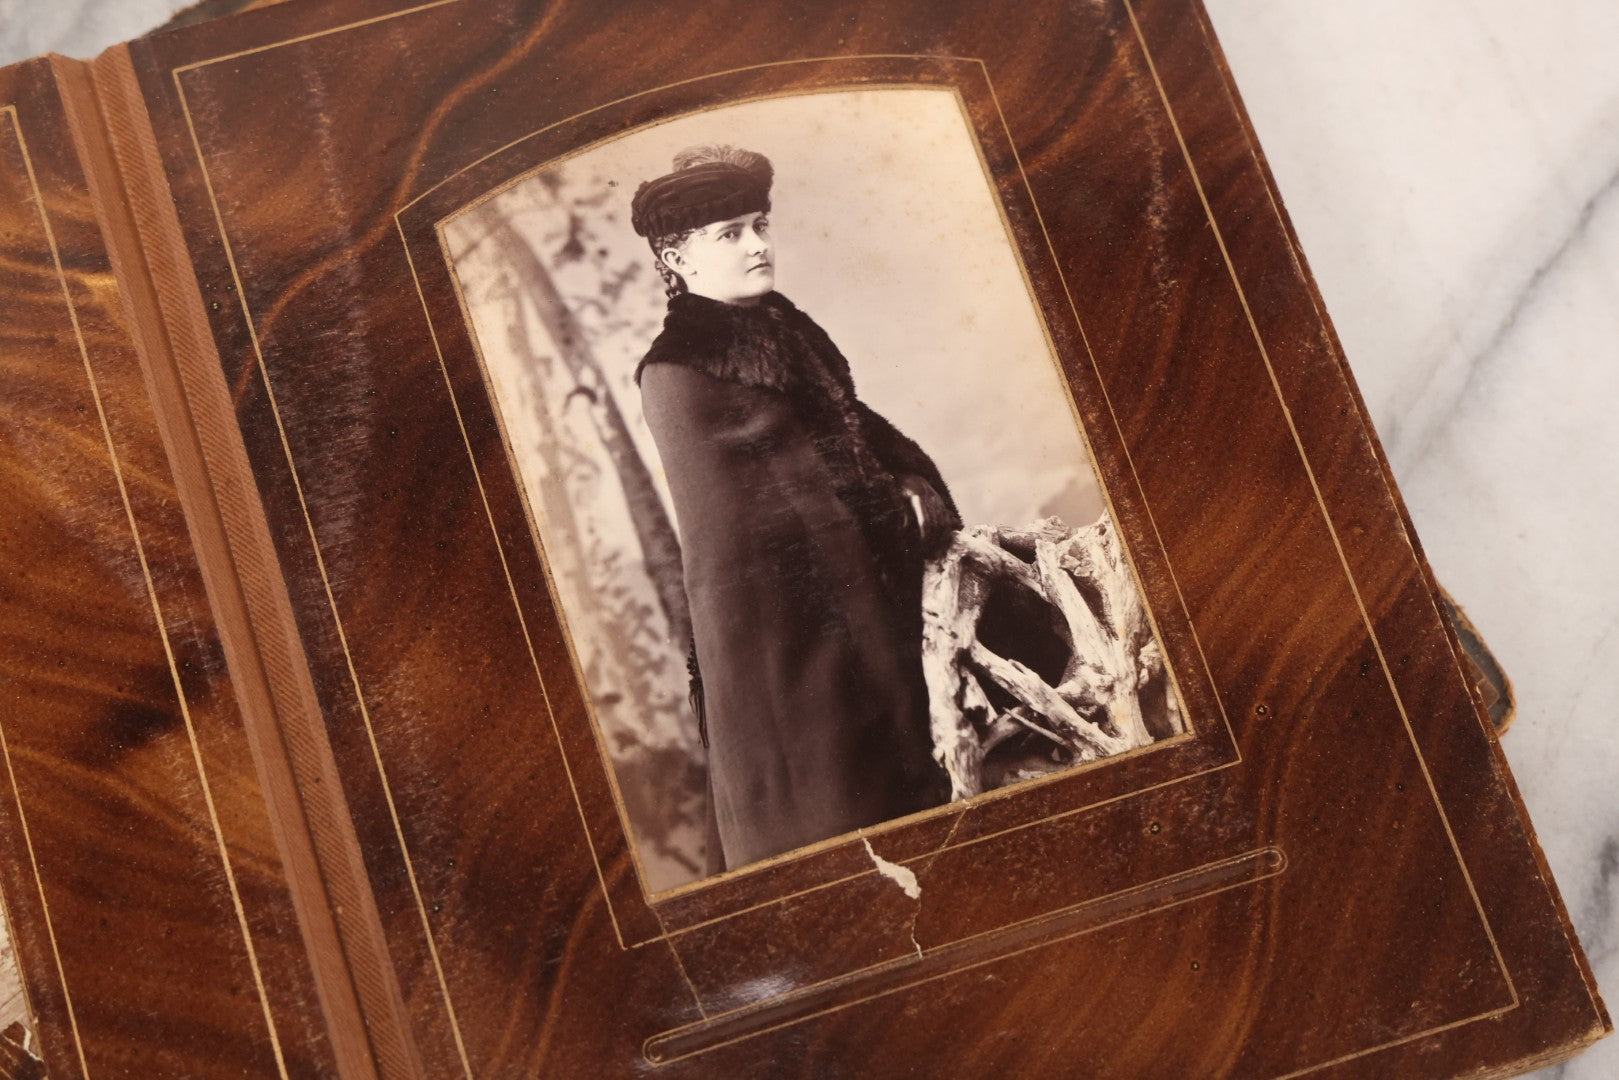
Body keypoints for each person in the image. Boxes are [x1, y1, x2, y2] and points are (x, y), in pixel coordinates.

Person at [631, 144, 960, 873]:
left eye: (758, 225)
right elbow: (742, 534)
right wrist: (883, 505)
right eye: (730, 235)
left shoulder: (783, 328)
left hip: (864, 588)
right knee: (846, 814)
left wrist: (909, 478)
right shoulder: (677, 371)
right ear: (677, 258)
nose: (757, 246)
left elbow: (850, 424)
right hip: (788, 642)